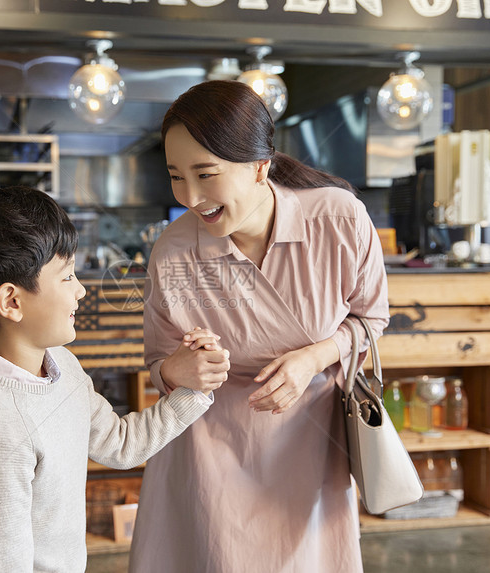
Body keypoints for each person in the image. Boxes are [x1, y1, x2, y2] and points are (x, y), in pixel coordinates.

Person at [129, 80, 390, 573]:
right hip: (209, 450)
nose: (190, 197)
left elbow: (371, 318)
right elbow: (158, 368)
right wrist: (181, 369)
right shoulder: (173, 250)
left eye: (206, 174)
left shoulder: (338, 219)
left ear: (259, 167)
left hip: (309, 443)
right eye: (176, 177)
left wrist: (314, 357)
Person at [0, 185, 229, 573]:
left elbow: (120, 444)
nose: (82, 290)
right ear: (12, 302)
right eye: (68, 276)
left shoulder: (60, 365)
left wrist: (193, 386)